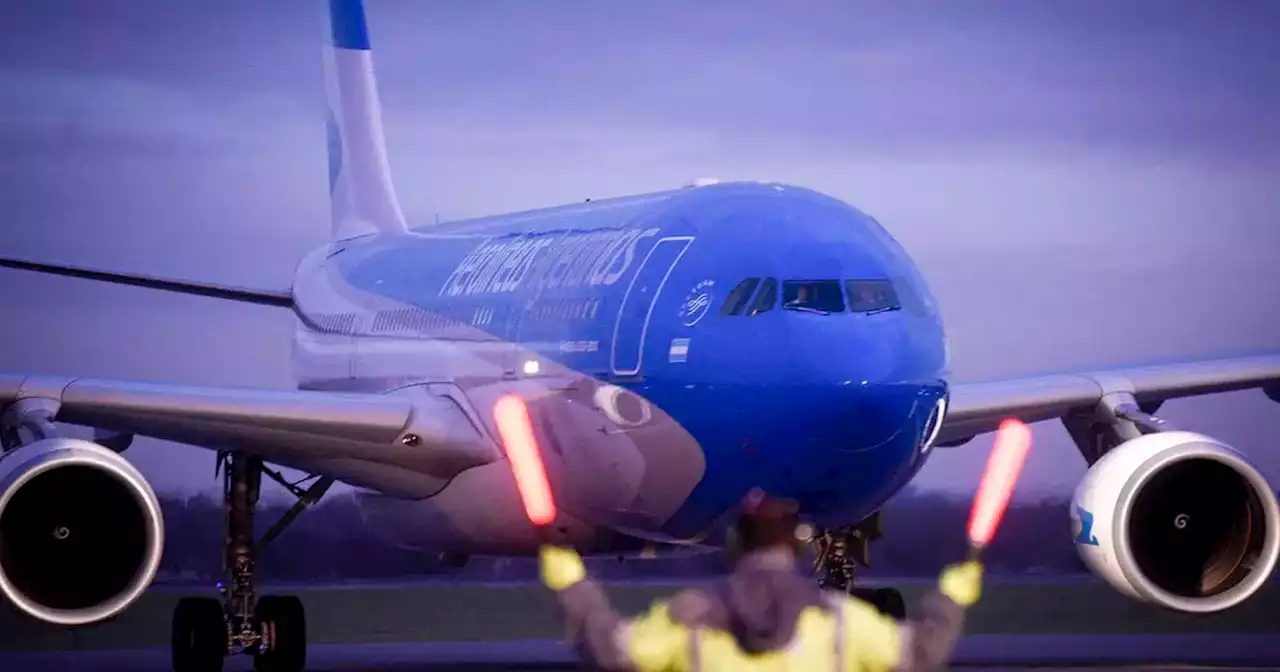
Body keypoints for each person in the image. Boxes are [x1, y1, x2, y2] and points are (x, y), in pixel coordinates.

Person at [539, 489, 983, 671]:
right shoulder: (839, 622)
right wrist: (955, 592)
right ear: (796, 546)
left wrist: (568, 579)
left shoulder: (690, 618)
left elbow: (608, 649)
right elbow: (923, 652)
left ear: (735, 543)